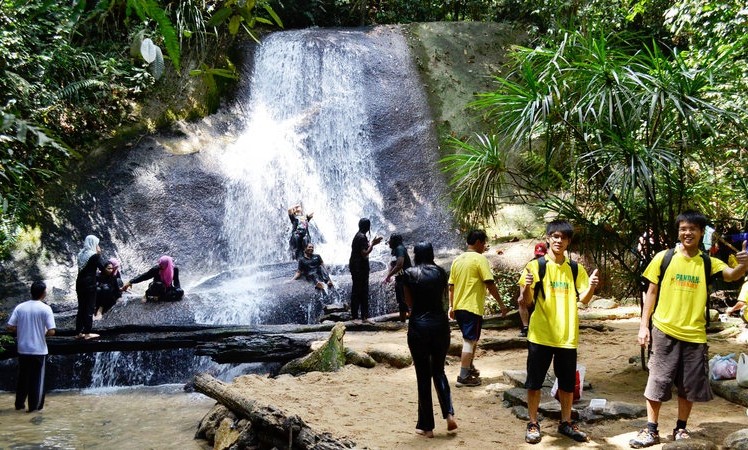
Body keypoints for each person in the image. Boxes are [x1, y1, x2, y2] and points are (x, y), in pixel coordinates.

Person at [629, 211, 748, 448]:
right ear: (679, 231)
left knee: (688, 384)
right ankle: (651, 429)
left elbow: (732, 274)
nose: (687, 233)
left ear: (701, 232)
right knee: (658, 381)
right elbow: (651, 292)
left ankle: (681, 428)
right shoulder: (664, 257)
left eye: (693, 229)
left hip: (694, 334)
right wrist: (644, 327)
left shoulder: (708, 262)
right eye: (683, 228)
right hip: (664, 330)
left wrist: (744, 265)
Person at [519, 219, 599, 444]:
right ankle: (533, 423)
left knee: (566, 383)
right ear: (548, 238)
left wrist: (592, 285)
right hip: (541, 335)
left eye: (563, 237)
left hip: (567, 336)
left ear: (568, 242)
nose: (559, 240)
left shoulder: (575, 269)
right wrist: (526, 286)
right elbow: (527, 301)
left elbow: (583, 300)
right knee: (534, 382)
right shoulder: (535, 266)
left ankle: (565, 422)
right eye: (555, 236)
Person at [403, 242, 458, 438]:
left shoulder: (408, 274)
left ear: (416, 254)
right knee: (439, 371)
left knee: (423, 376)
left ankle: (427, 427)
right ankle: (449, 414)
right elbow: (443, 298)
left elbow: (409, 304)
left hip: (419, 326)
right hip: (440, 325)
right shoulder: (441, 272)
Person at [448, 229, 508, 388]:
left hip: (460, 307)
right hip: (472, 306)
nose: (485, 247)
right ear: (478, 242)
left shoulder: (457, 260)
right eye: (484, 243)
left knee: (472, 339)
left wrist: (451, 306)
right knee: (469, 340)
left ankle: (469, 367)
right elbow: (489, 283)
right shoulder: (480, 259)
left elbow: (451, 287)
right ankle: (463, 376)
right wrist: (501, 304)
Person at [7, 281, 56, 412]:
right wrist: (43, 332)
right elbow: (51, 331)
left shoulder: (20, 307)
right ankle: (34, 408)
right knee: (37, 380)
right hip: (39, 350)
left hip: (23, 349)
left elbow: (10, 326)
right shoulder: (45, 308)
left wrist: (22, 330)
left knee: (23, 377)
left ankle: (19, 405)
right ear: (43, 293)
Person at [349, 218, 383, 322]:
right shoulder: (362, 237)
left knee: (357, 290)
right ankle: (360, 317)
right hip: (359, 268)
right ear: (368, 227)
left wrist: (372, 243)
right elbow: (364, 253)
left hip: (356, 266)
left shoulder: (358, 235)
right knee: (361, 291)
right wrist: (373, 243)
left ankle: (359, 316)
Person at [76, 235, 105, 339]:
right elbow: (103, 268)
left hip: (79, 283)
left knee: (81, 307)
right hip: (90, 284)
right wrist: (99, 254)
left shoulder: (80, 254)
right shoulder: (94, 255)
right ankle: (87, 333)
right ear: (93, 243)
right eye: (97, 243)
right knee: (89, 307)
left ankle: (78, 333)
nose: (98, 246)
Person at [518, 242, 547, 337]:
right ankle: (525, 327)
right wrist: (521, 295)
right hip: (531, 295)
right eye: (537, 255)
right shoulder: (530, 264)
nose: (539, 257)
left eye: (541, 256)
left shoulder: (549, 265)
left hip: (544, 296)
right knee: (521, 302)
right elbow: (523, 282)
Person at [384, 233, 412, 322]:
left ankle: (414, 322)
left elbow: (399, 264)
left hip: (405, 279)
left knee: (407, 302)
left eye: (390, 240)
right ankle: (402, 322)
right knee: (401, 303)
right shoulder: (395, 250)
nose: (389, 242)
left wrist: (389, 275)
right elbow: (393, 264)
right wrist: (388, 276)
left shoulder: (400, 249)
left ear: (395, 241)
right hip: (400, 279)